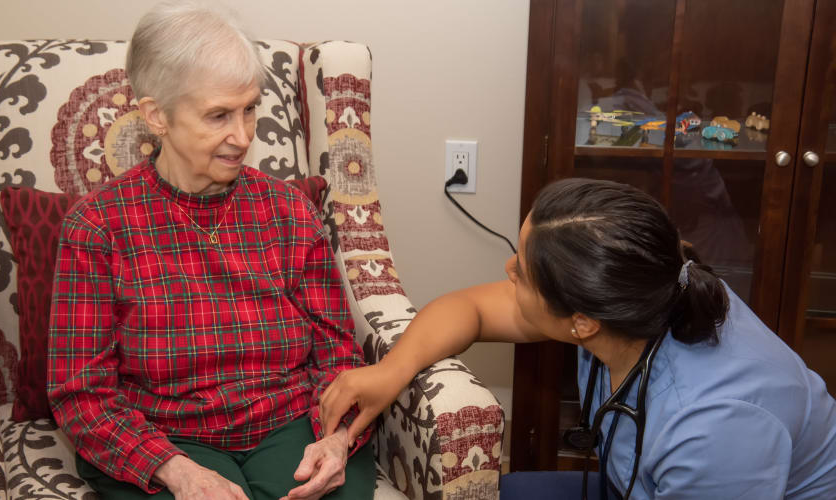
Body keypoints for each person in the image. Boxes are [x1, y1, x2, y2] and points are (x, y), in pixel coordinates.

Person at [320, 178, 836, 499]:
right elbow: (469, 309)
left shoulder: (717, 428)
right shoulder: (633, 296)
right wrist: (389, 371)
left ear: (583, 322)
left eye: (521, 271)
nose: (507, 270)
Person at [47, 3, 375, 500]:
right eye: (218, 115)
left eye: (250, 109)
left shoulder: (290, 211)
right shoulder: (97, 228)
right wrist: (176, 471)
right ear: (156, 116)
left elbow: (338, 353)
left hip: (290, 426)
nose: (242, 136)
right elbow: (80, 394)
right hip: (162, 438)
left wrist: (338, 437)